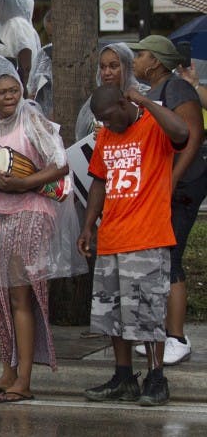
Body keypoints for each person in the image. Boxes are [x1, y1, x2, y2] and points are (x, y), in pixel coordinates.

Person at [0, 58, 84, 403]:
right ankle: (7, 372)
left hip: (30, 213)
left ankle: (24, 379)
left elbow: (60, 165)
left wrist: (25, 183)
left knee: (18, 295)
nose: (9, 97)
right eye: (1, 92)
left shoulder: (32, 118)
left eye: (14, 90)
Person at [78, 84, 189, 406]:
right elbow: (100, 179)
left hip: (147, 236)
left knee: (147, 314)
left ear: (125, 103)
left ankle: (157, 378)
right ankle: (123, 377)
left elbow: (182, 132)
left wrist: (146, 102)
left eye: (110, 117)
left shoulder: (154, 125)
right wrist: (88, 225)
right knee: (112, 314)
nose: (107, 124)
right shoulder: (105, 135)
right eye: (101, 120)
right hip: (112, 235)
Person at [128, 35, 206, 366]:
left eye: (141, 54)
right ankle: (162, 332)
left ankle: (176, 337)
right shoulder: (156, 92)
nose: (136, 60)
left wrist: (173, 179)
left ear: (156, 61)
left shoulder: (177, 89)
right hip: (162, 184)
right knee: (159, 254)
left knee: (170, 253)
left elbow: (194, 134)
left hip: (183, 184)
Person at [0, 0, 43, 96]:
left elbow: (25, 56)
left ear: (1, 3)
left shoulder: (17, 25)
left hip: (14, 97)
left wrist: (21, 91)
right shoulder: (3, 28)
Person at [75, 43, 143, 142]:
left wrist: (108, 134)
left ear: (127, 67)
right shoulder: (96, 101)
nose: (106, 72)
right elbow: (81, 139)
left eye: (113, 66)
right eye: (102, 67)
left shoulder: (143, 96)